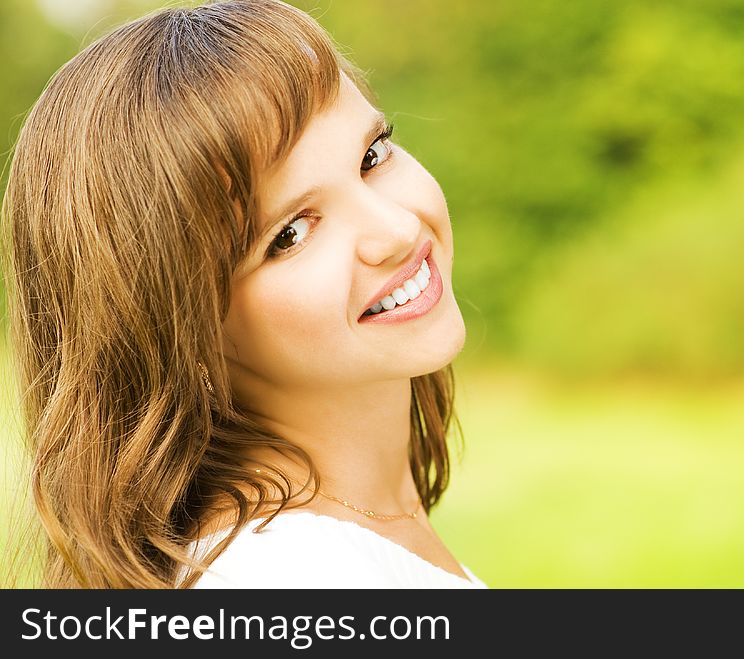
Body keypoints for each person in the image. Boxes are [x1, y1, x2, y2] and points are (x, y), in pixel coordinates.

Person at [1, 0, 486, 589]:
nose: (398, 231)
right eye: (290, 233)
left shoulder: (337, 545)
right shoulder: (288, 577)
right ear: (179, 329)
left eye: (371, 156)